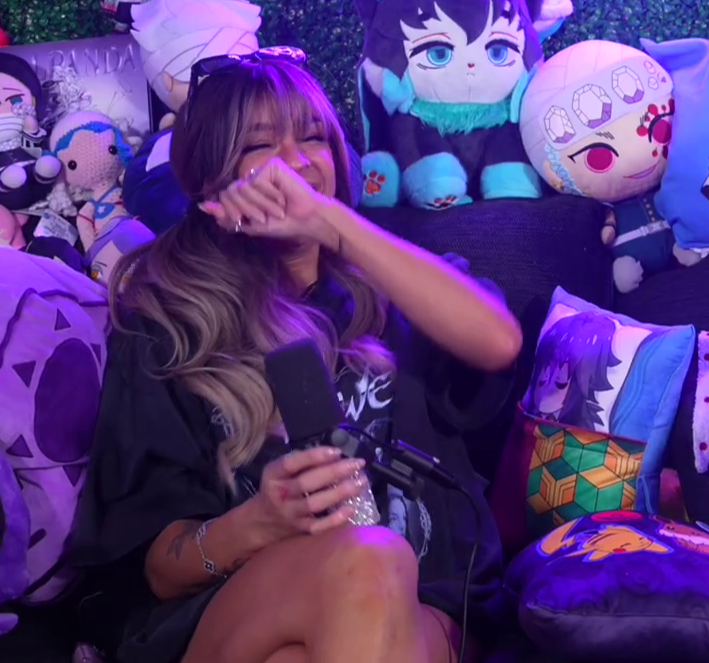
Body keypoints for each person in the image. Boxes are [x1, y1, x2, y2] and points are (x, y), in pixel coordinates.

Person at [67, 48, 521, 663]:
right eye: (260, 145)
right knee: (367, 559)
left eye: (313, 138)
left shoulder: (399, 284)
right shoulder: (167, 324)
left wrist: (333, 225)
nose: (297, 162)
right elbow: (157, 570)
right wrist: (260, 522)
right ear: (211, 177)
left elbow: (498, 342)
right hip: (241, 609)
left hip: (422, 610)